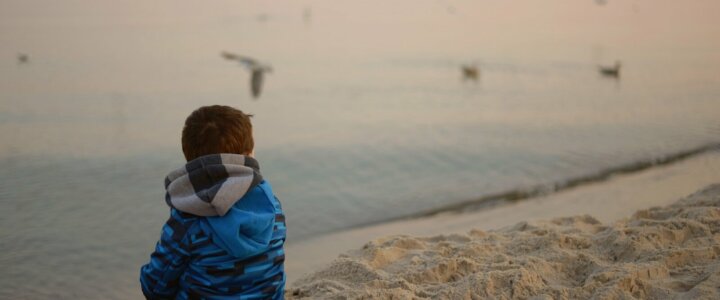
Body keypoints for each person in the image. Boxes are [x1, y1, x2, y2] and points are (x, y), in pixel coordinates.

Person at [140, 105, 286, 299]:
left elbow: (155, 287)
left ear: (190, 161)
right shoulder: (271, 206)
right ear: (249, 154)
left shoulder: (188, 219)